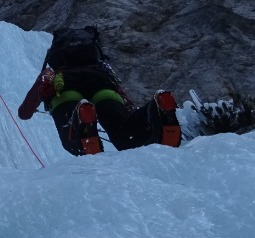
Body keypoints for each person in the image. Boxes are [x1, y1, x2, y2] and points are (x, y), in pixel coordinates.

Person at [17, 26, 181, 156]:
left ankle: (81, 119)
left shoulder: (51, 73)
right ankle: (154, 109)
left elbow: (24, 113)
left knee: (73, 143)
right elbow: (123, 96)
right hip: (102, 86)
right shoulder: (102, 68)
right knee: (125, 137)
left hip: (66, 90)